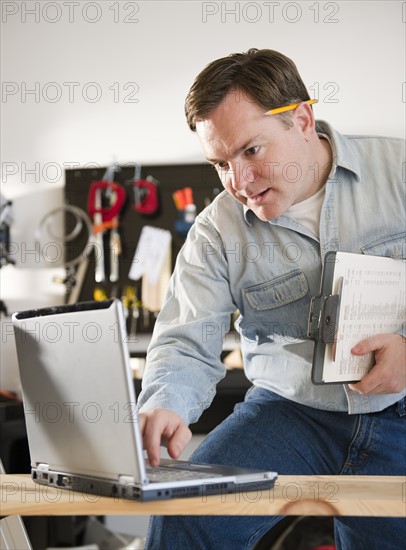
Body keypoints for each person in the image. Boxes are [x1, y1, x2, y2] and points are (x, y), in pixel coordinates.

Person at [137, 48, 406, 549]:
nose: (239, 183)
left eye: (251, 151)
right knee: (184, 516)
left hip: (401, 411)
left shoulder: (399, 173)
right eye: (220, 164)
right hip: (290, 413)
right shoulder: (216, 232)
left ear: (302, 120)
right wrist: (167, 403)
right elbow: (185, 340)